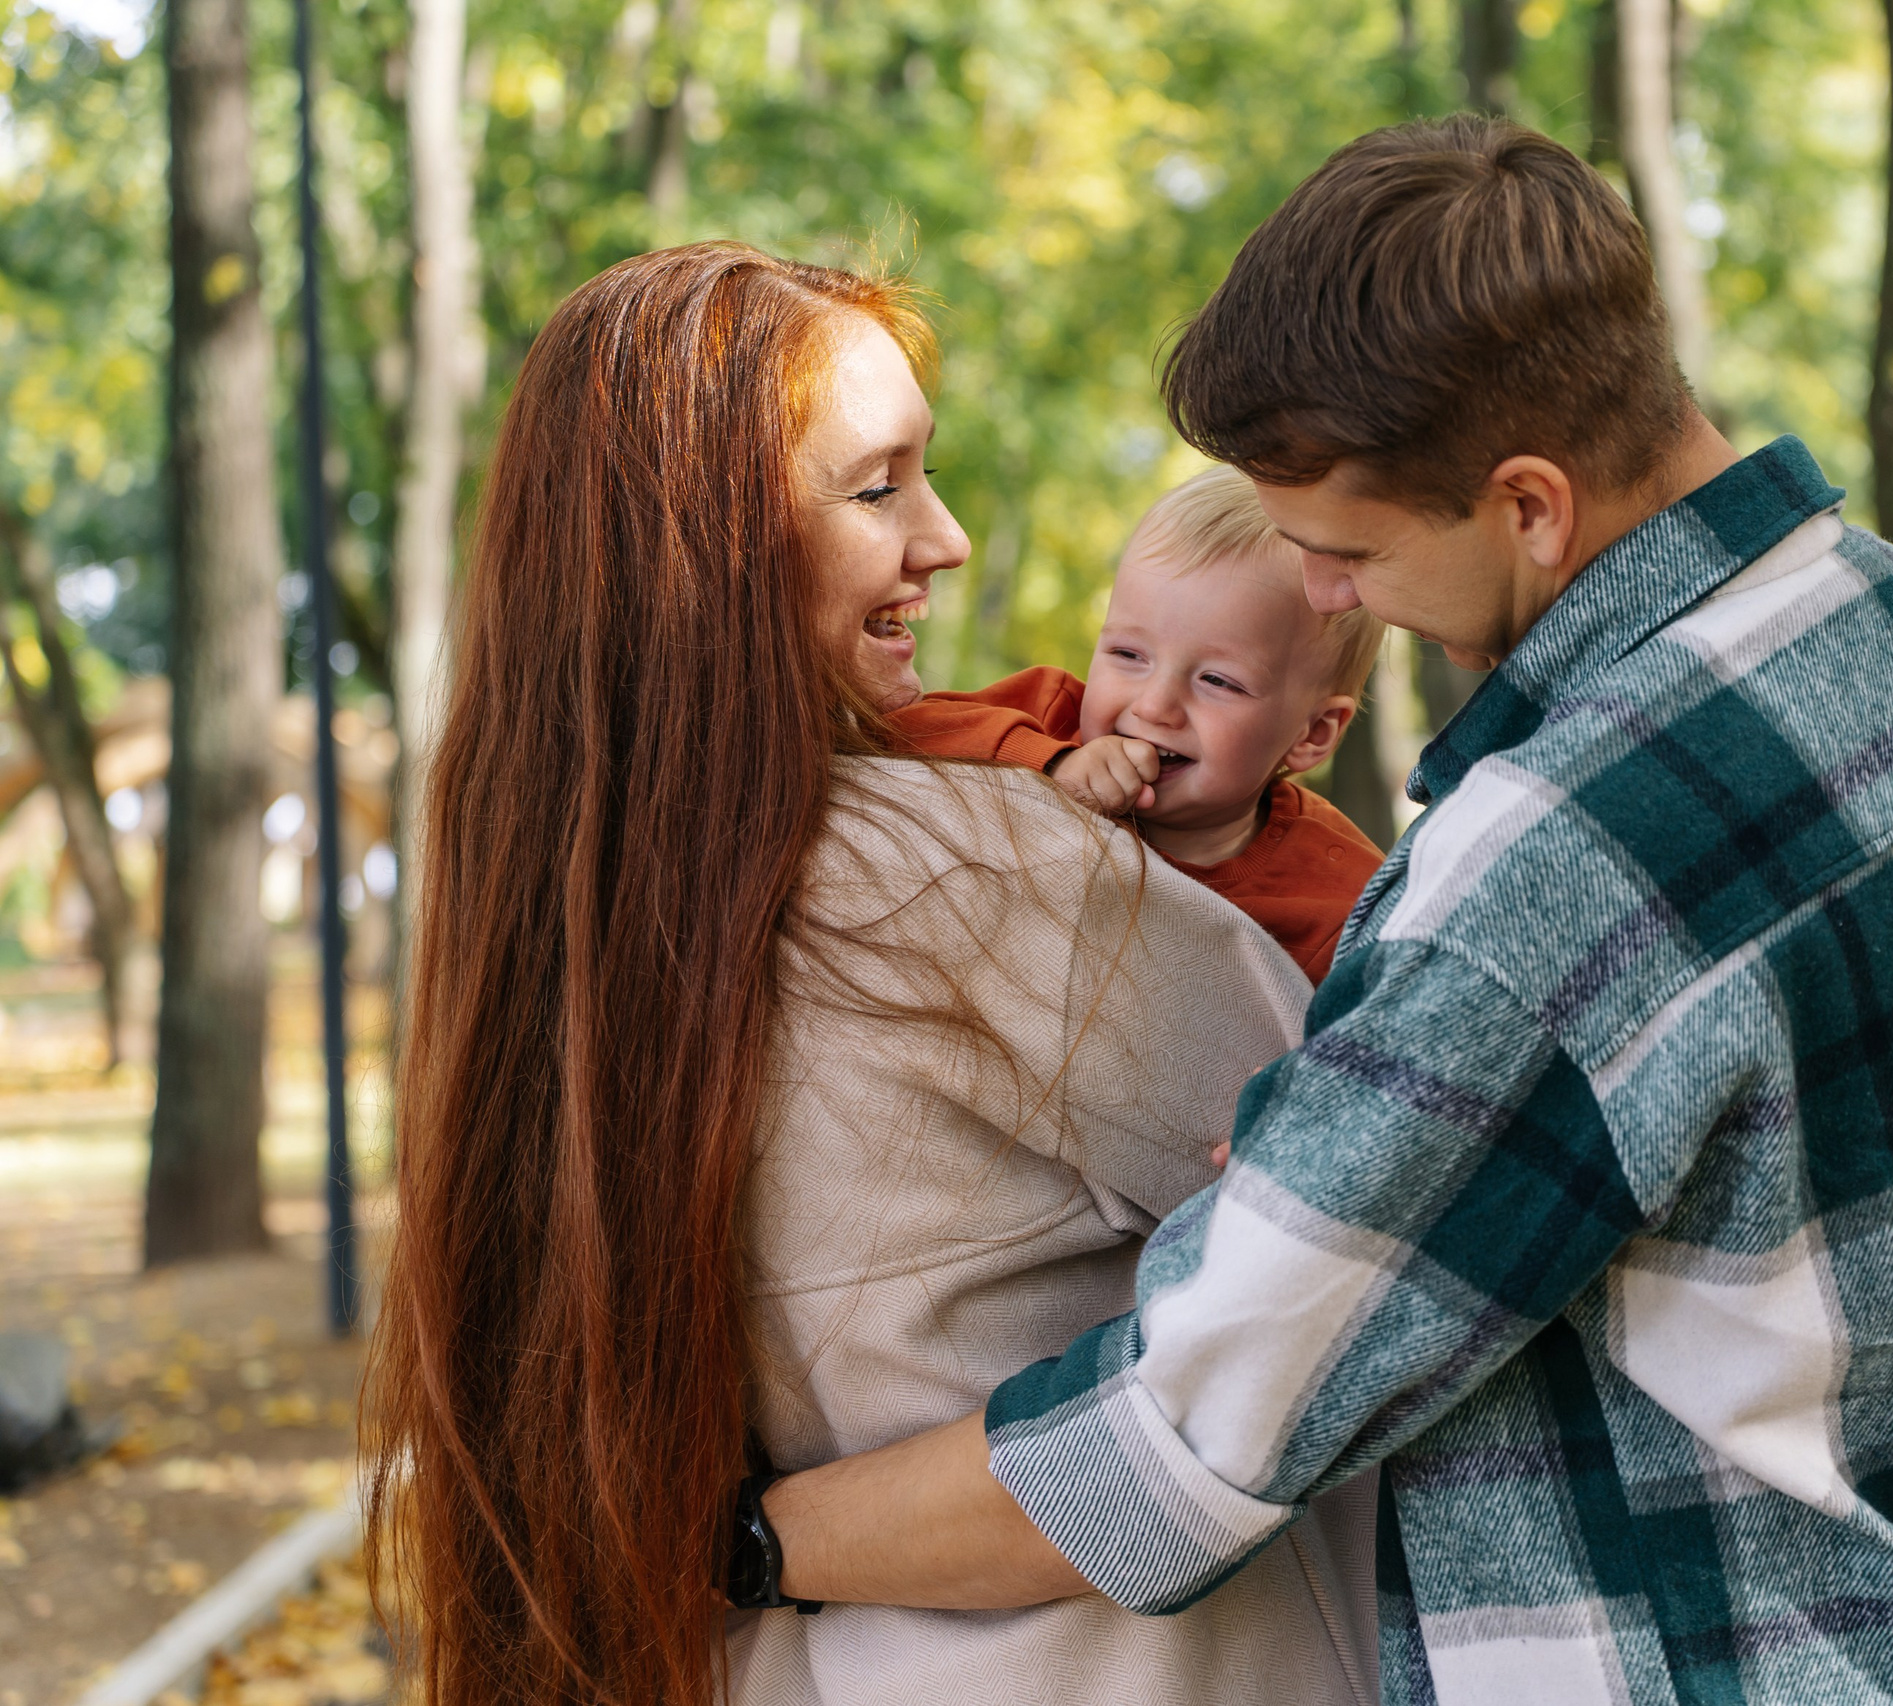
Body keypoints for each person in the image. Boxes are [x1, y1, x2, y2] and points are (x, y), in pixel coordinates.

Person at [762, 118, 1893, 1706]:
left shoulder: (1552, 870)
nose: (1320, 599)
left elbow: (1179, 1440)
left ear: (1526, 504)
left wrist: (760, 1542)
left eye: (1347, 548)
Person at [364, 243, 1377, 1706]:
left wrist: (756, 1541)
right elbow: (1390, 1238)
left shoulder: (554, 921)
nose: (947, 537)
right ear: (705, 540)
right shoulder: (982, 877)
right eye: (878, 485)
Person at [896, 465, 1387, 982]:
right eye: (1129, 653)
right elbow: (896, 734)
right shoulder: (1046, 718)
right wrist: (1050, 766)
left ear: (1312, 733)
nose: (1154, 706)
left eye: (1218, 681)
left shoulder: (1341, 898)